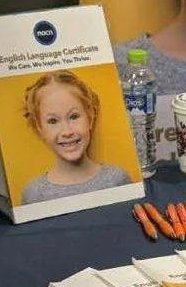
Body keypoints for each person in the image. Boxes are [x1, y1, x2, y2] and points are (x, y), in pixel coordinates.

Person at [20, 71, 131, 203]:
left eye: (74, 116)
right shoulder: (33, 194)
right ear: (40, 128)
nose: (67, 132)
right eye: (53, 121)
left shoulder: (117, 179)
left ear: (90, 118)